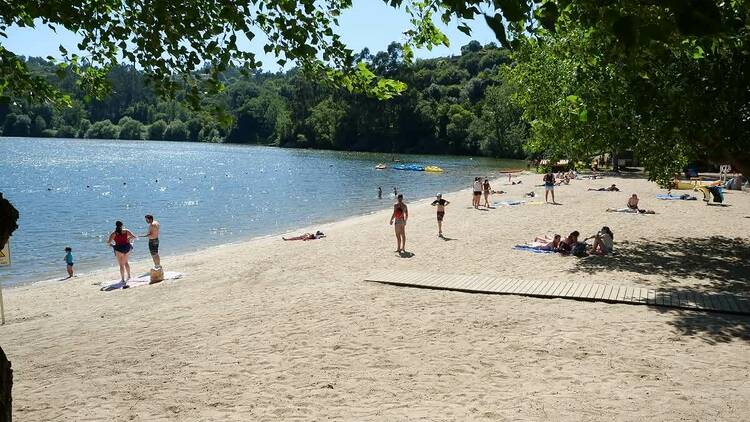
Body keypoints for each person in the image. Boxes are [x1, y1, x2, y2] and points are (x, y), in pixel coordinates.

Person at [107, 221, 136, 287]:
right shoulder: (126, 231)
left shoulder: (113, 233)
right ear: (122, 225)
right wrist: (128, 239)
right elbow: (134, 237)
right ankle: (129, 276)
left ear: (116, 225)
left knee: (121, 265)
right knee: (126, 262)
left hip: (118, 249)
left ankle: (123, 279)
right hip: (127, 248)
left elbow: (108, 242)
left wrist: (112, 245)